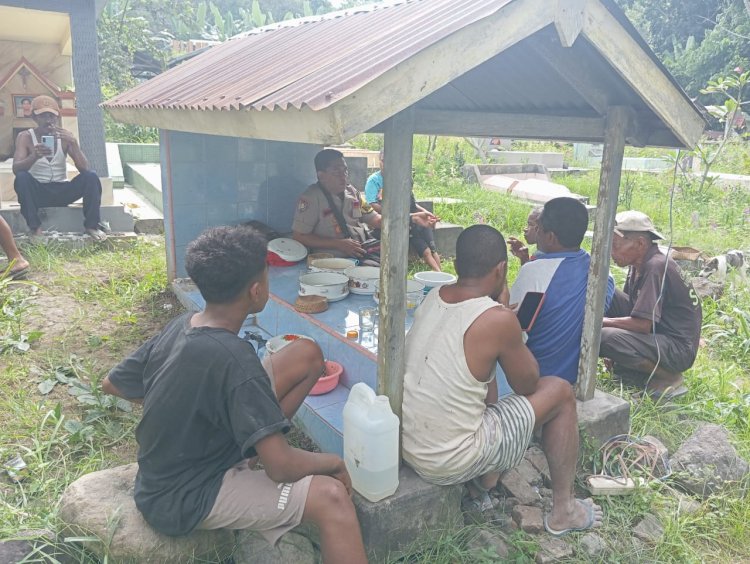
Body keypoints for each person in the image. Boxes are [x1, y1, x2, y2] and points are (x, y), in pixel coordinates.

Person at [102, 225, 366, 564]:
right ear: (256, 291)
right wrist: (334, 462)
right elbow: (281, 468)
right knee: (331, 498)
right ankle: (258, 449)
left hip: (178, 468)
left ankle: (255, 438)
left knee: (305, 354)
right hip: (186, 495)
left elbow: (113, 383)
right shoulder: (234, 360)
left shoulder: (185, 324)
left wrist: (186, 411)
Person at [402, 224, 603, 535]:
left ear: (456, 264)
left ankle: (485, 480)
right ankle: (564, 510)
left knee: (489, 407)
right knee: (561, 392)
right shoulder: (496, 318)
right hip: (446, 461)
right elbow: (528, 384)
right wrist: (504, 316)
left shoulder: (435, 297)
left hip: (410, 446)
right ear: (501, 269)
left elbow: (488, 397)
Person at [509, 198, 614, 385]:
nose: (536, 233)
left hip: (534, 377)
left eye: (539, 228)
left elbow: (511, 331)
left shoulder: (533, 272)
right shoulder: (603, 273)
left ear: (550, 237)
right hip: (573, 376)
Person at [601, 211, 702, 400]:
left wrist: (601, 322)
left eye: (615, 245)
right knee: (606, 294)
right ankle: (629, 363)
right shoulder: (638, 264)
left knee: (604, 337)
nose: (611, 252)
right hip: (658, 331)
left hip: (677, 348)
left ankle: (669, 377)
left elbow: (642, 325)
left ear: (640, 243)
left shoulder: (656, 267)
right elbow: (633, 308)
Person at [292, 149, 435, 261]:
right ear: (321, 175)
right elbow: (299, 236)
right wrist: (338, 244)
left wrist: (412, 218)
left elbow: (377, 220)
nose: (343, 176)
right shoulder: (311, 198)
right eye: (336, 171)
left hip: (361, 252)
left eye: (345, 170)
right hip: (333, 259)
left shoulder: (352, 192)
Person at [12, 95, 106, 240]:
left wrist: (74, 143)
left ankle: (91, 226)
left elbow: (85, 169)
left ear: (57, 118)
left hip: (62, 190)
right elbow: (16, 169)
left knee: (91, 176)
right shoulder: (25, 137)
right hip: (38, 192)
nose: (48, 120)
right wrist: (34, 157)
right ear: (34, 118)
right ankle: (35, 229)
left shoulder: (65, 137)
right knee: (22, 178)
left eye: (52, 116)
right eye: (43, 116)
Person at [364, 151, 442, 271]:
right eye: (384, 161)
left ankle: (441, 274)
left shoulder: (401, 179)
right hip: (394, 220)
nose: (387, 164)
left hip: (409, 218)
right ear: (380, 161)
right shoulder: (374, 181)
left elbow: (412, 203)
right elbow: (373, 205)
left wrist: (426, 213)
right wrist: (404, 216)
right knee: (425, 249)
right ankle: (438, 273)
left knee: (431, 246)